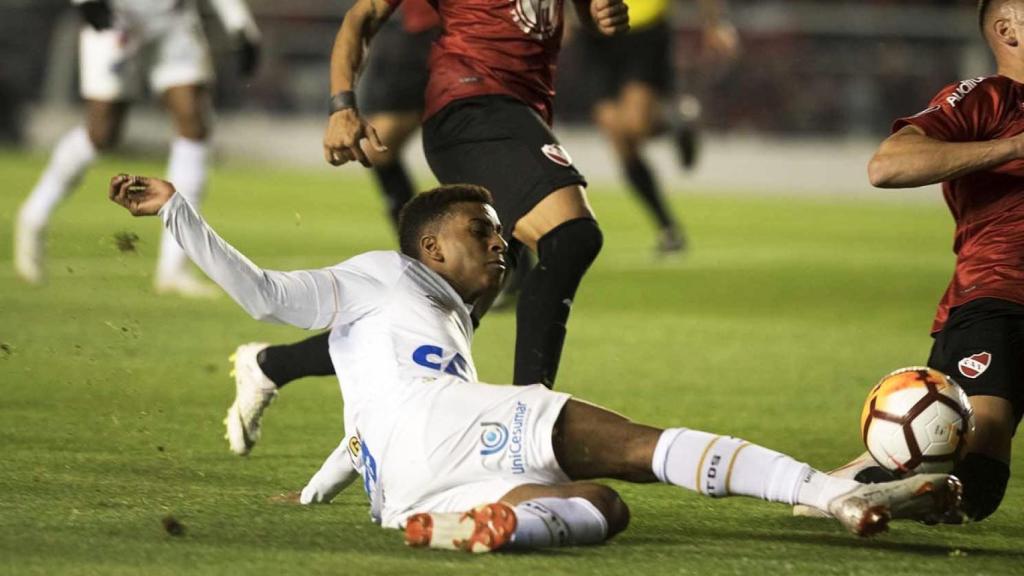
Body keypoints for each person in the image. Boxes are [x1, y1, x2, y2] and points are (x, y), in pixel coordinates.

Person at [109, 173, 963, 550]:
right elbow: (263, 293)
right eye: (484, 231)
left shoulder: (432, 320)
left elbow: (369, 421)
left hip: (407, 487)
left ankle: (492, 529)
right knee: (637, 446)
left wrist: (315, 490)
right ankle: (833, 494)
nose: (502, 242)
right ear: (431, 246)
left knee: (602, 508)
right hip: (443, 433)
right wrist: (180, 213)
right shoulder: (375, 276)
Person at [221, 0, 630, 456]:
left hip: (518, 114)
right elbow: (364, 16)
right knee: (571, 238)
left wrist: (598, 16)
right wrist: (342, 105)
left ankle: (271, 364)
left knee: (440, 319)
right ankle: (529, 430)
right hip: (471, 109)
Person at [796, 0, 1022, 524]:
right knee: (975, 480)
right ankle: (833, 489)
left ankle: (850, 482)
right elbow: (887, 165)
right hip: (1001, 299)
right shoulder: (991, 97)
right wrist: (1014, 147)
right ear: (1008, 29)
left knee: (971, 485)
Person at [14, 0, 260, 297]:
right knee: (103, 132)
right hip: (119, 15)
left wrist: (239, 23)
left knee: (193, 121)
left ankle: (175, 266)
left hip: (172, 17)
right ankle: (33, 216)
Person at [574, 0, 738, 253]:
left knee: (636, 125)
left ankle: (676, 121)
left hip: (643, 25)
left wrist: (715, 22)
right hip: (593, 30)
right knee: (616, 132)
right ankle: (668, 227)